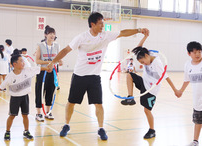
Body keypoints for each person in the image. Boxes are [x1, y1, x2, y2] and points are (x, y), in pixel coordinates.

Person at [47, 12, 149, 140]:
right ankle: (66, 125)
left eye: (103, 23)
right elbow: (65, 50)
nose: (103, 25)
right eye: (100, 23)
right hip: (79, 75)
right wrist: (52, 63)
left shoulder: (105, 35)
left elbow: (122, 33)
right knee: (71, 102)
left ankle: (101, 128)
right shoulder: (81, 37)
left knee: (99, 104)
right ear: (92, 24)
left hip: (94, 77)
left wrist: (139, 30)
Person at [120, 33, 177, 139]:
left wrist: (175, 90)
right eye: (141, 62)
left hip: (151, 90)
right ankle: (130, 97)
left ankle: (152, 130)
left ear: (147, 56)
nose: (143, 64)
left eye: (143, 62)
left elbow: (166, 77)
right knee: (129, 76)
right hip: (143, 82)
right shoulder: (147, 53)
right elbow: (137, 49)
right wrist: (145, 37)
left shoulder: (157, 63)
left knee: (147, 110)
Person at [0, 54, 50, 140]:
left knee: (25, 115)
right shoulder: (10, 76)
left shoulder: (28, 70)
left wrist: (47, 68)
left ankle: (26, 131)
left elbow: (38, 69)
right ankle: (7, 132)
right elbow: (2, 85)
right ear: (14, 64)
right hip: (15, 98)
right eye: (21, 61)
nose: (23, 63)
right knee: (12, 116)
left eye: (23, 61)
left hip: (25, 97)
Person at [175, 41, 202, 146]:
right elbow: (187, 80)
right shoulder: (187, 65)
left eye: (199, 52)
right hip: (197, 100)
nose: (198, 54)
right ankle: (195, 141)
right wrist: (181, 91)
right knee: (198, 121)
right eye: (195, 52)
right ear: (189, 53)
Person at [35, 25, 62, 121]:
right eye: (50, 33)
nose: (52, 35)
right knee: (40, 91)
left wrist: (60, 62)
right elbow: (37, 61)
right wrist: (48, 63)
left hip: (53, 72)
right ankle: (38, 113)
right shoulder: (40, 45)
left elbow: (59, 59)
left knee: (50, 91)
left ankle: (48, 112)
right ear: (45, 35)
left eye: (54, 34)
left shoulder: (57, 45)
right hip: (42, 72)